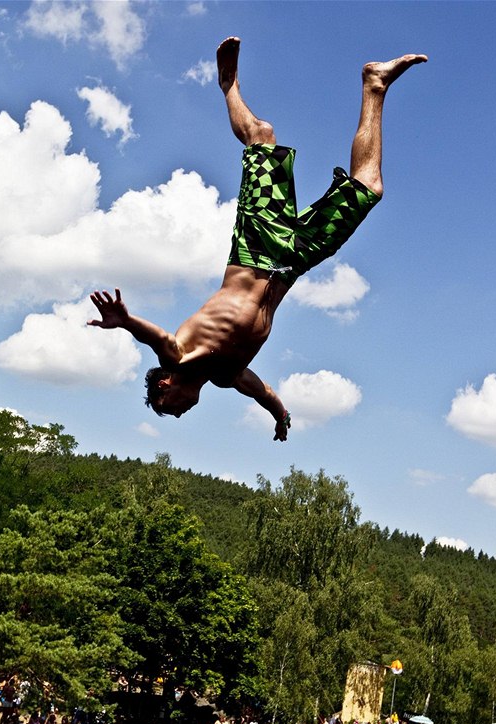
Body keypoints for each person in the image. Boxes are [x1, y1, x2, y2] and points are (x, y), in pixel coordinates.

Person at [89, 37, 427, 439]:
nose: (179, 415)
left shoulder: (179, 359)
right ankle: (375, 85)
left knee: (262, 135)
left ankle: (228, 84)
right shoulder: (227, 375)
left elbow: (160, 338)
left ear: (165, 386)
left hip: (257, 247)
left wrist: (126, 322)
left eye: (170, 410)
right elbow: (263, 392)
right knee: (369, 187)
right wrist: (280, 415)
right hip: (293, 262)